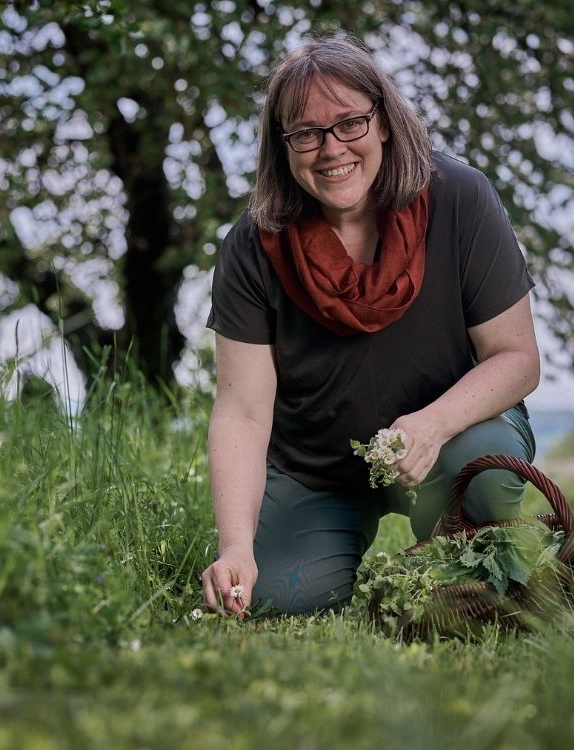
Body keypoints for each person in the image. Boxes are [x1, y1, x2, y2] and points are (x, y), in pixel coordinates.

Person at [201, 35, 540, 617]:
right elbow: (242, 411)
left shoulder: (461, 198)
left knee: (482, 474)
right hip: (317, 470)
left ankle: (461, 562)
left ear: (383, 121)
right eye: (305, 133)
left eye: (350, 123)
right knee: (276, 598)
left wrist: (433, 425)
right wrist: (236, 545)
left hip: (450, 440)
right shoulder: (251, 246)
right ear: (283, 147)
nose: (330, 149)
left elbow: (516, 358)